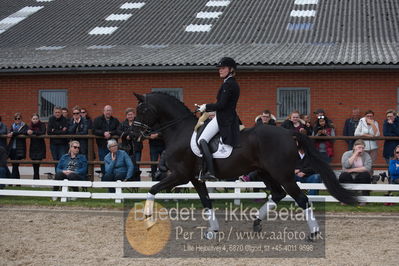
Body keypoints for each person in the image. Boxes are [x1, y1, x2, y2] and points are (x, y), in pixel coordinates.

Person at [197, 57, 241, 181]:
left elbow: (221, 105)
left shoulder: (229, 84)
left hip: (224, 118)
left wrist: (206, 106)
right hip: (225, 116)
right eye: (219, 68)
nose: (220, 71)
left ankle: (210, 171)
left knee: (202, 139)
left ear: (231, 69)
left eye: (223, 68)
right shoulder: (229, 82)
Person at [93, 105, 120, 174]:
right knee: (103, 161)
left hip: (113, 146)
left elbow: (118, 130)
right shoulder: (97, 120)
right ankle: (105, 178)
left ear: (112, 112)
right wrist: (103, 133)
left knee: (114, 161)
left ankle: (113, 178)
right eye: (107, 110)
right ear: (104, 111)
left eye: (110, 110)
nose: (108, 112)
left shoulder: (115, 120)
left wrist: (110, 133)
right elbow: (94, 130)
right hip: (102, 145)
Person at [119, 108, 143, 181]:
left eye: (131, 114)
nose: (130, 116)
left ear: (134, 115)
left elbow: (139, 132)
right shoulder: (123, 123)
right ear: (126, 116)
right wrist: (126, 135)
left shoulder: (138, 123)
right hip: (126, 148)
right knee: (127, 165)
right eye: (128, 115)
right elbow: (118, 131)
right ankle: (128, 180)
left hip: (136, 148)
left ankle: (137, 182)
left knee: (136, 165)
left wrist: (131, 135)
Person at [7, 113, 28, 179]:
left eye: (19, 118)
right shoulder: (12, 126)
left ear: (21, 119)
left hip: (19, 148)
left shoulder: (24, 126)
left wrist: (13, 133)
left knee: (16, 165)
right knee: (14, 165)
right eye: (16, 118)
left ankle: (11, 181)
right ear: (14, 119)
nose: (17, 120)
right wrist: (11, 133)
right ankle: (17, 182)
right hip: (12, 148)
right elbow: (9, 132)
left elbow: (24, 132)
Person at [27, 114, 46, 180]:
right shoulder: (30, 126)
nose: (35, 120)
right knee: (34, 164)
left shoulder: (42, 125)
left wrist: (33, 132)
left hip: (40, 146)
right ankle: (35, 180)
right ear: (31, 119)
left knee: (38, 164)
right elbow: (26, 132)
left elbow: (42, 132)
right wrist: (28, 132)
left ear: (38, 119)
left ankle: (36, 179)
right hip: (33, 147)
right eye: (33, 119)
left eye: (36, 119)